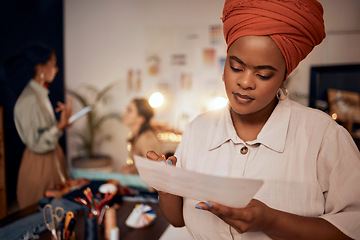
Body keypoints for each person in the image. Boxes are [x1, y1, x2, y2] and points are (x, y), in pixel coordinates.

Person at [146, 0, 360, 239]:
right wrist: (166, 186)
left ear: (283, 77)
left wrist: (271, 221)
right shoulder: (199, 129)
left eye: (263, 74)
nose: (246, 82)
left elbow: (353, 230)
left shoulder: (323, 136)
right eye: (236, 67)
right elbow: (177, 220)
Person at [4, 44, 72, 209]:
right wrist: (60, 127)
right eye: (53, 64)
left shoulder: (39, 94)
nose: (56, 69)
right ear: (40, 67)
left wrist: (62, 124)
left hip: (51, 161)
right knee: (42, 216)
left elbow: (43, 132)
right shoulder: (30, 99)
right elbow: (36, 142)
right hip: (39, 166)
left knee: (58, 212)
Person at [121, 98, 162, 174]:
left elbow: (154, 168)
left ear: (141, 119)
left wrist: (131, 170)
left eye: (129, 110)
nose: (125, 113)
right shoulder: (136, 136)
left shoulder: (147, 138)